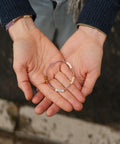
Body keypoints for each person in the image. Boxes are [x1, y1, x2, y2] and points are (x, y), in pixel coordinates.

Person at [0, 0, 120, 117]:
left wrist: (93, 29)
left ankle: (65, 45)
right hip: (30, 4)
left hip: (78, 5)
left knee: (70, 32)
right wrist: (20, 25)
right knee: (40, 29)